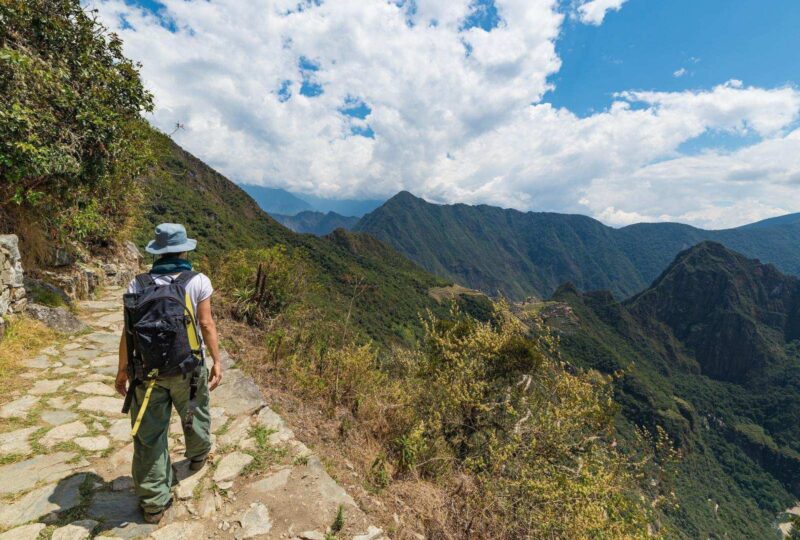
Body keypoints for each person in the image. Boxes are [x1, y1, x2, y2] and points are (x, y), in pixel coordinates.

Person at [115, 223, 223, 523]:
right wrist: (217, 360)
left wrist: (122, 370)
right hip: (188, 367)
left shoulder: (138, 284)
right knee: (195, 411)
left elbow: (128, 331)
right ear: (184, 248)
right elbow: (207, 324)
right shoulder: (198, 280)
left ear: (156, 251)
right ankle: (198, 454)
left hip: (146, 372)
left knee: (149, 437)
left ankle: (153, 504)